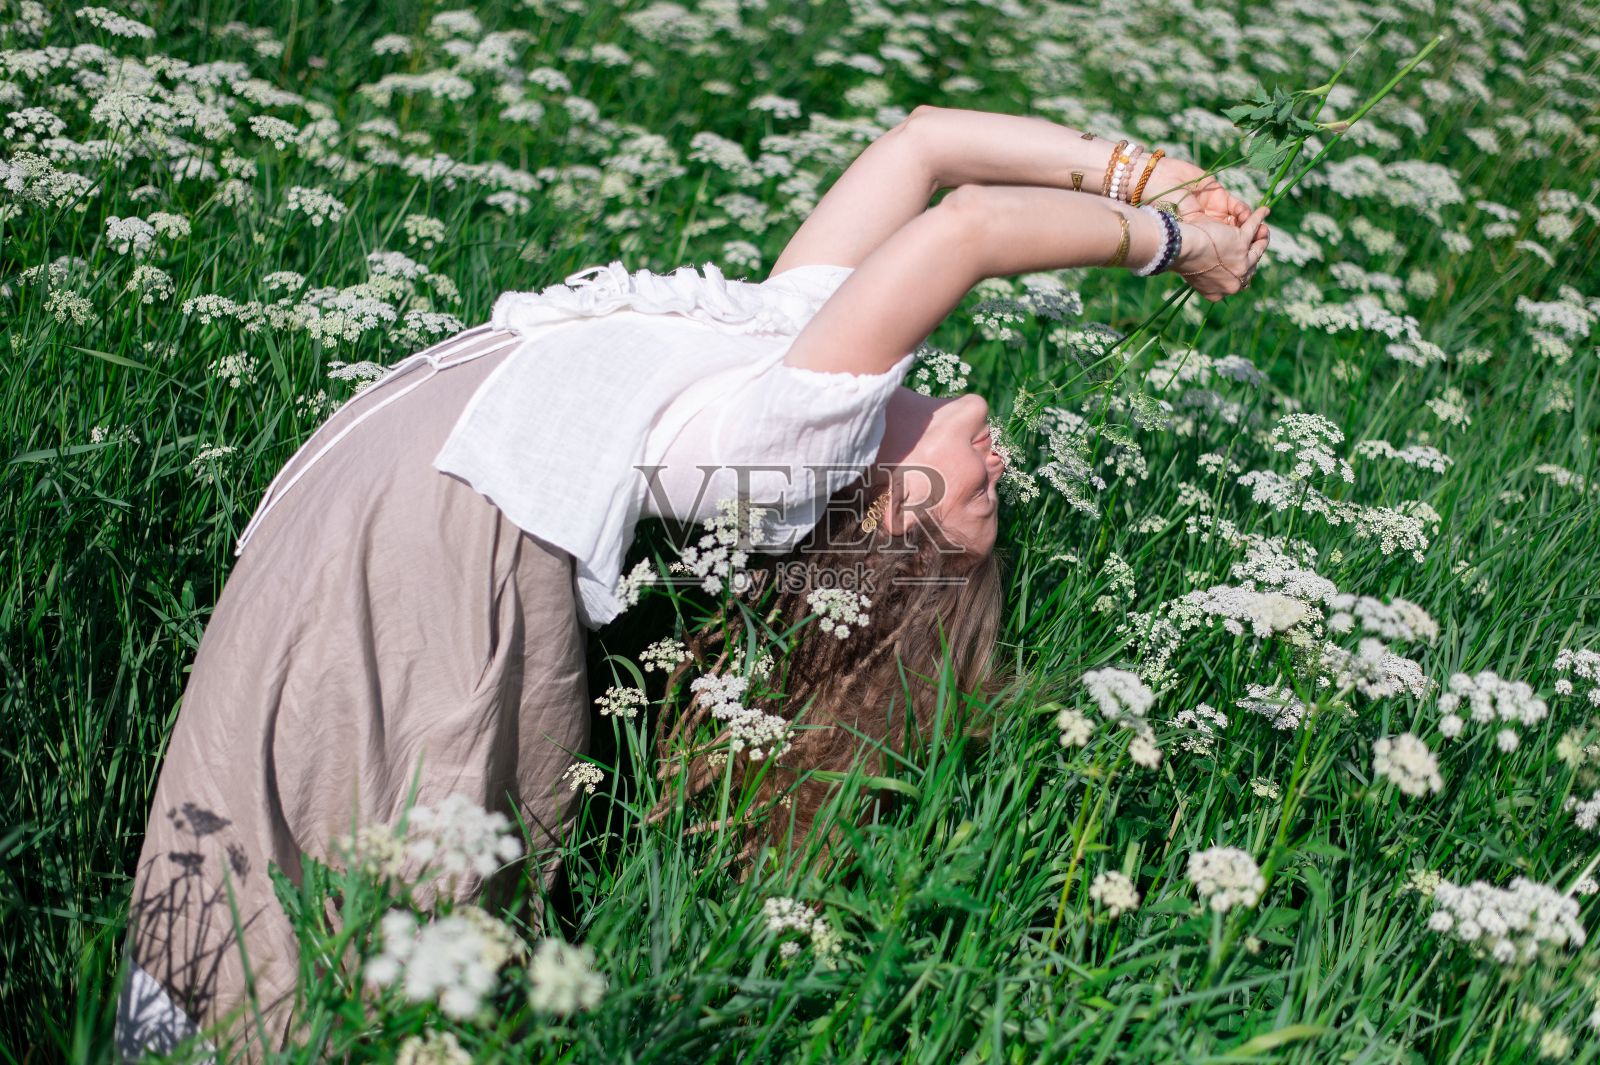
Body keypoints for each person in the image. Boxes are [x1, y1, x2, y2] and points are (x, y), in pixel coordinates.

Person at [114, 103, 1267, 1063]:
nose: (998, 462)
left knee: (363, 848)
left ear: (885, 516)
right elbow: (922, 151)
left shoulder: (790, 454)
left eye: (976, 497)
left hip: (426, 531)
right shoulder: (801, 340)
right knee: (335, 829)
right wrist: (1170, 176)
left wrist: (1168, 242)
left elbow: (964, 231)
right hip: (403, 489)